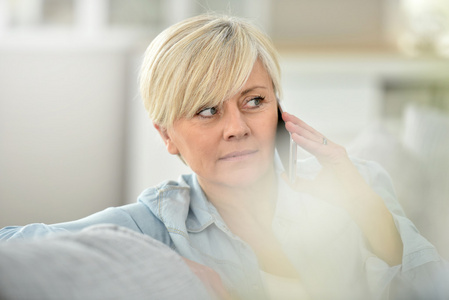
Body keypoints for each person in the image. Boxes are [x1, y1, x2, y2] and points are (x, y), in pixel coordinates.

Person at [0, 14, 447, 300]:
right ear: (166, 135)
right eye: (207, 110)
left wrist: (366, 207)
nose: (237, 126)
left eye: (254, 101)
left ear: (278, 106)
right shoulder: (151, 225)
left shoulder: (357, 179)